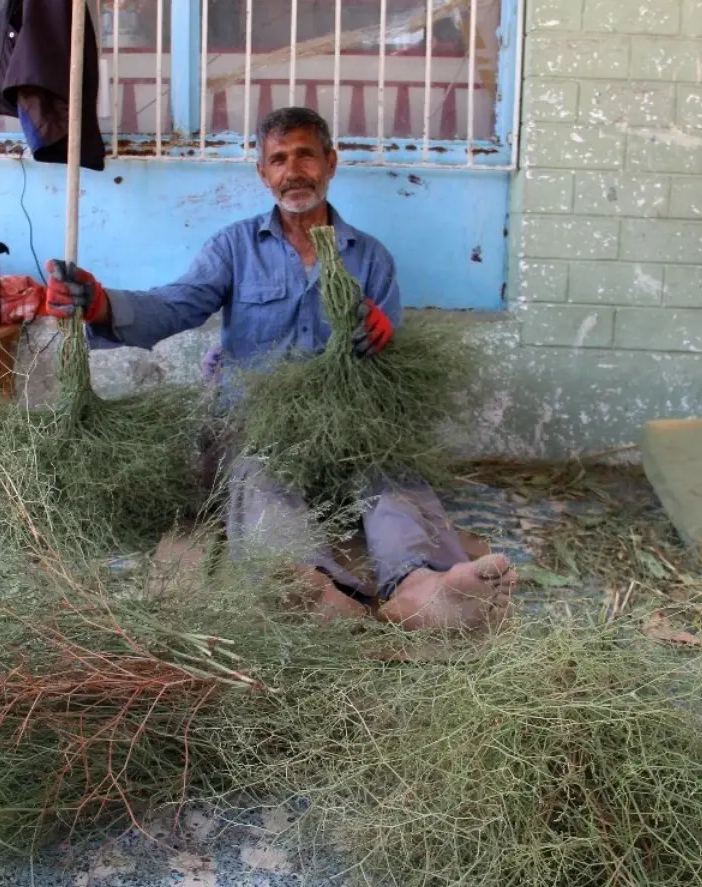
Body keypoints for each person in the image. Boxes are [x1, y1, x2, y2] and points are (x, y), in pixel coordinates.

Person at [43, 106, 516, 632]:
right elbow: (174, 305)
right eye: (279, 159)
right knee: (260, 471)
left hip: (348, 426)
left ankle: (420, 587)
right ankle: (307, 583)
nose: (293, 171)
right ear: (263, 173)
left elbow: (392, 368)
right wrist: (102, 303)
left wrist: (387, 342)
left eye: (305, 155)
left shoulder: (371, 259)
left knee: (388, 472)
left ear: (330, 163)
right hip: (257, 424)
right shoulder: (233, 248)